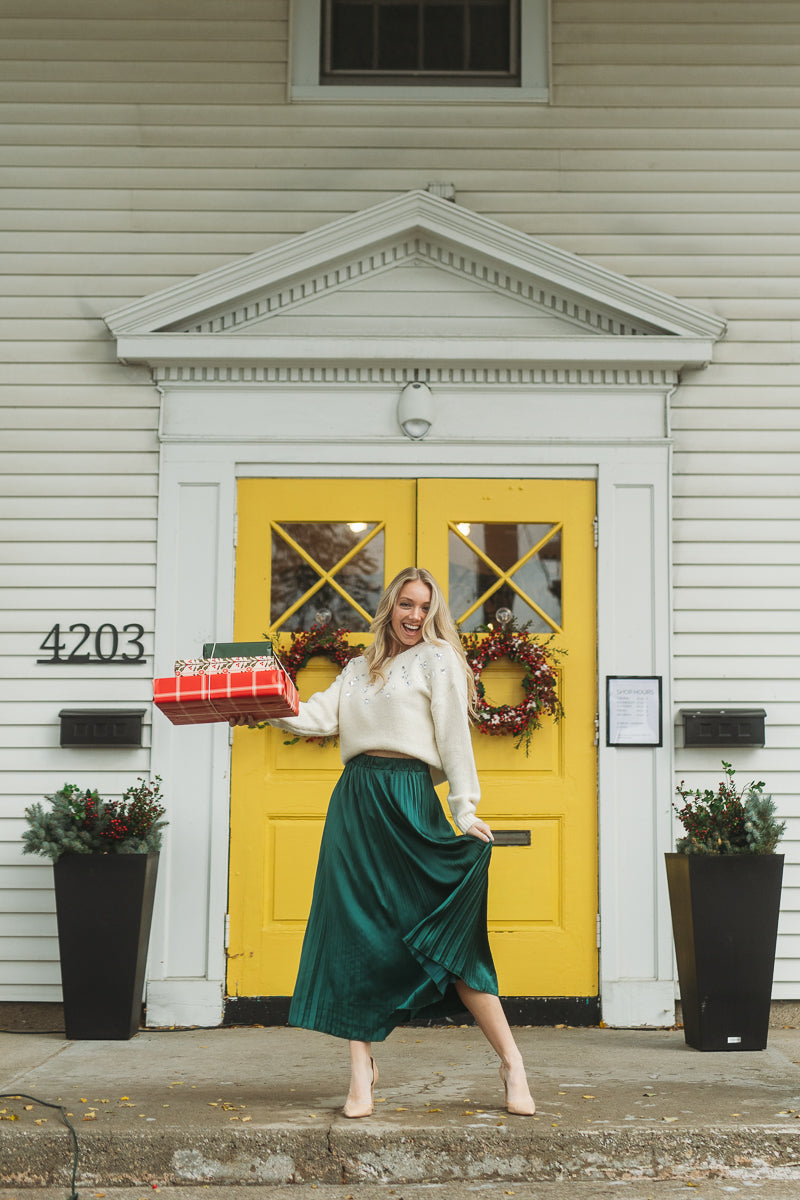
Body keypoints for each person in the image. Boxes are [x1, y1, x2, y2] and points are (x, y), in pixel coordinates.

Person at [231, 566, 535, 1118]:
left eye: (424, 606)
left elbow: (453, 734)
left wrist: (464, 809)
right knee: (356, 938)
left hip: (410, 799)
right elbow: (311, 717)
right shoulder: (356, 668)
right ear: (389, 607)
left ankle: (512, 1063)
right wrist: (255, 698)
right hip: (356, 805)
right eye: (406, 604)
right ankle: (361, 1073)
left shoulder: (437, 659)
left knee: (453, 940)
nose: (415, 615)